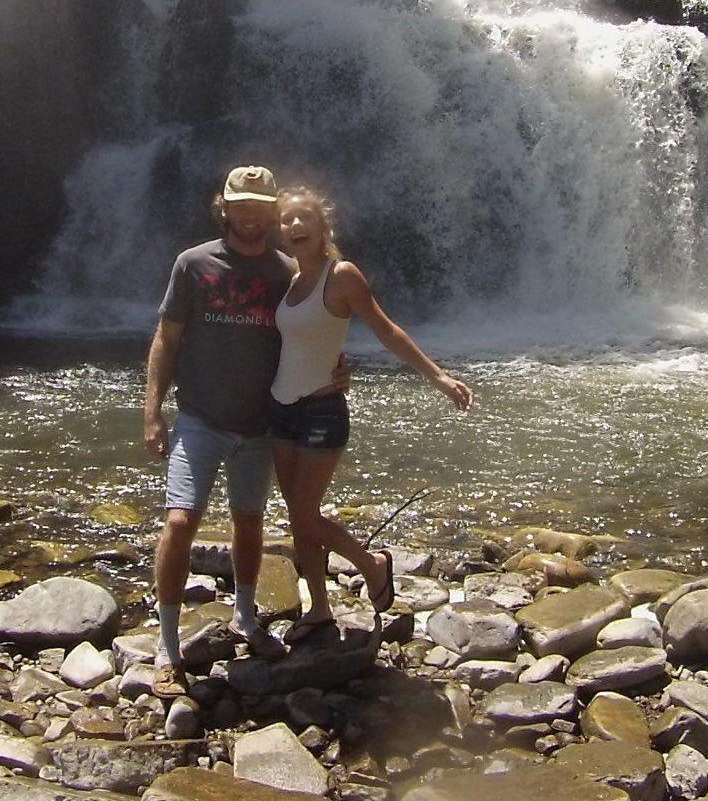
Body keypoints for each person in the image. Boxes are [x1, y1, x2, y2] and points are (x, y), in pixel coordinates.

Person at [142, 164, 348, 699]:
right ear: (226, 207)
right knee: (181, 520)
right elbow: (166, 338)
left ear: (272, 212)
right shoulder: (193, 264)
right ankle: (167, 650)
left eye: (262, 206)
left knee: (250, 523)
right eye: (243, 205)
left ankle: (245, 618)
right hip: (201, 420)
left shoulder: (288, 269)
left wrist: (337, 367)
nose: (252, 214)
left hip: (262, 423)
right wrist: (152, 410)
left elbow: (318, 325)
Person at [268, 186, 474, 643]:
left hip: (322, 410)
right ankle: (319, 608)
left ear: (324, 227)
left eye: (305, 218)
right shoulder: (288, 279)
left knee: (304, 515)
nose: (296, 226)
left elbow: (386, 330)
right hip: (280, 410)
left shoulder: (340, 275)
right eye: (287, 220)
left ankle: (370, 564)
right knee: (298, 515)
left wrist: (437, 376)